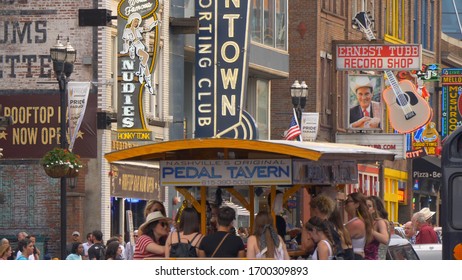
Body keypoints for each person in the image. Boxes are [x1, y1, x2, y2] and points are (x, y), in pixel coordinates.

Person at [119, 12, 160, 95]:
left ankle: (148, 84)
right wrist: (125, 50)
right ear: (131, 21)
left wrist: (154, 24)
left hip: (140, 46)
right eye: (135, 21)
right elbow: (126, 42)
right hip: (134, 47)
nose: (136, 23)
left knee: (146, 66)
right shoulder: (127, 31)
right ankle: (141, 74)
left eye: (137, 22)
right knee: (146, 55)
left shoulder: (138, 29)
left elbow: (147, 29)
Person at [344, 192, 374, 259]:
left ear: (357, 204)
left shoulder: (356, 223)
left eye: (348, 201)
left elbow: (339, 240)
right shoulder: (359, 221)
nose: (345, 204)